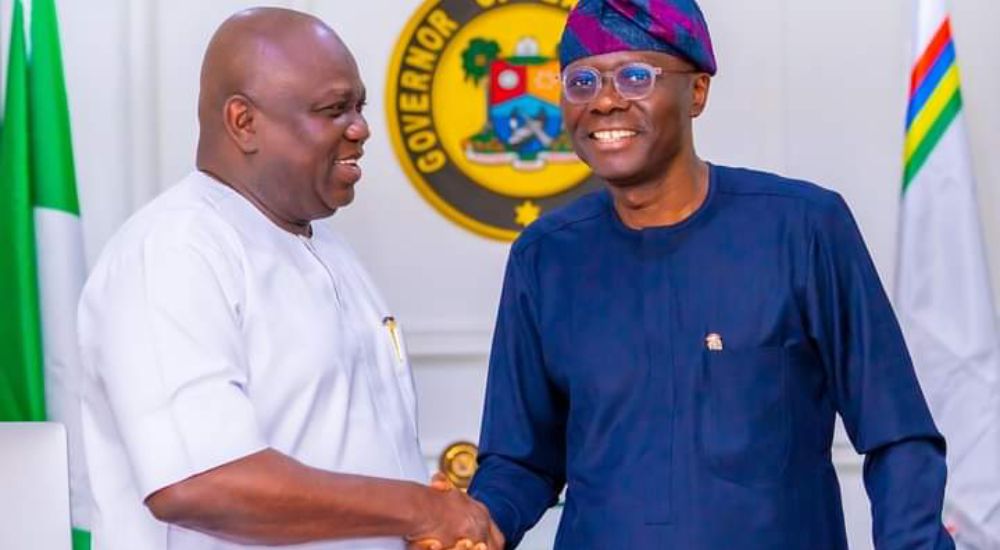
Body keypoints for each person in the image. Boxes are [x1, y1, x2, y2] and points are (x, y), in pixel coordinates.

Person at [466, 0, 956, 548]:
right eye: (581, 80)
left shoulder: (804, 227)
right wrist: (476, 524)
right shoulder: (546, 256)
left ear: (696, 91)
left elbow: (898, 435)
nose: (604, 101)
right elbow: (521, 459)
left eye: (634, 76)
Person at [77, 8, 497, 550]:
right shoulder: (174, 251)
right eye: (333, 109)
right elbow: (199, 481)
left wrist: (429, 513)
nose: (361, 128)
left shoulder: (327, 246)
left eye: (360, 106)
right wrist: (418, 509)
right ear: (243, 122)